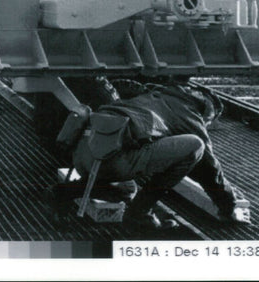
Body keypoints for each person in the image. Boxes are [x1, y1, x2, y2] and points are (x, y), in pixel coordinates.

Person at [61, 79, 240, 230]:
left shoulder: (152, 96)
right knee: (196, 146)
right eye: (208, 121)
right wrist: (228, 206)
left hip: (81, 155)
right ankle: (140, 214)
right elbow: (208, 167)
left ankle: (62, 192)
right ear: (206, 107)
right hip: (111, 162)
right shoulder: (188, 112)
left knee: (128, 190)